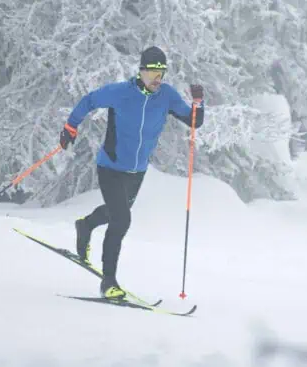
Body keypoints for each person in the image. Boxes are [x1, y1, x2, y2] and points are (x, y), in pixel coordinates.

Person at [58, 46, 204, 300]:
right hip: (110, 167)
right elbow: (89, 100)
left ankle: (86, 225)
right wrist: (71, 126)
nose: (157, 78)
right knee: (121, 220)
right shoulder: (121, 93)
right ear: (141, 71)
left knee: (116, 213)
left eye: (161, 73)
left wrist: (198, 103)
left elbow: (194, 120)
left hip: (137, 171)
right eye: (152, 72)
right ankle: (109, 282)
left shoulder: (166, 96)